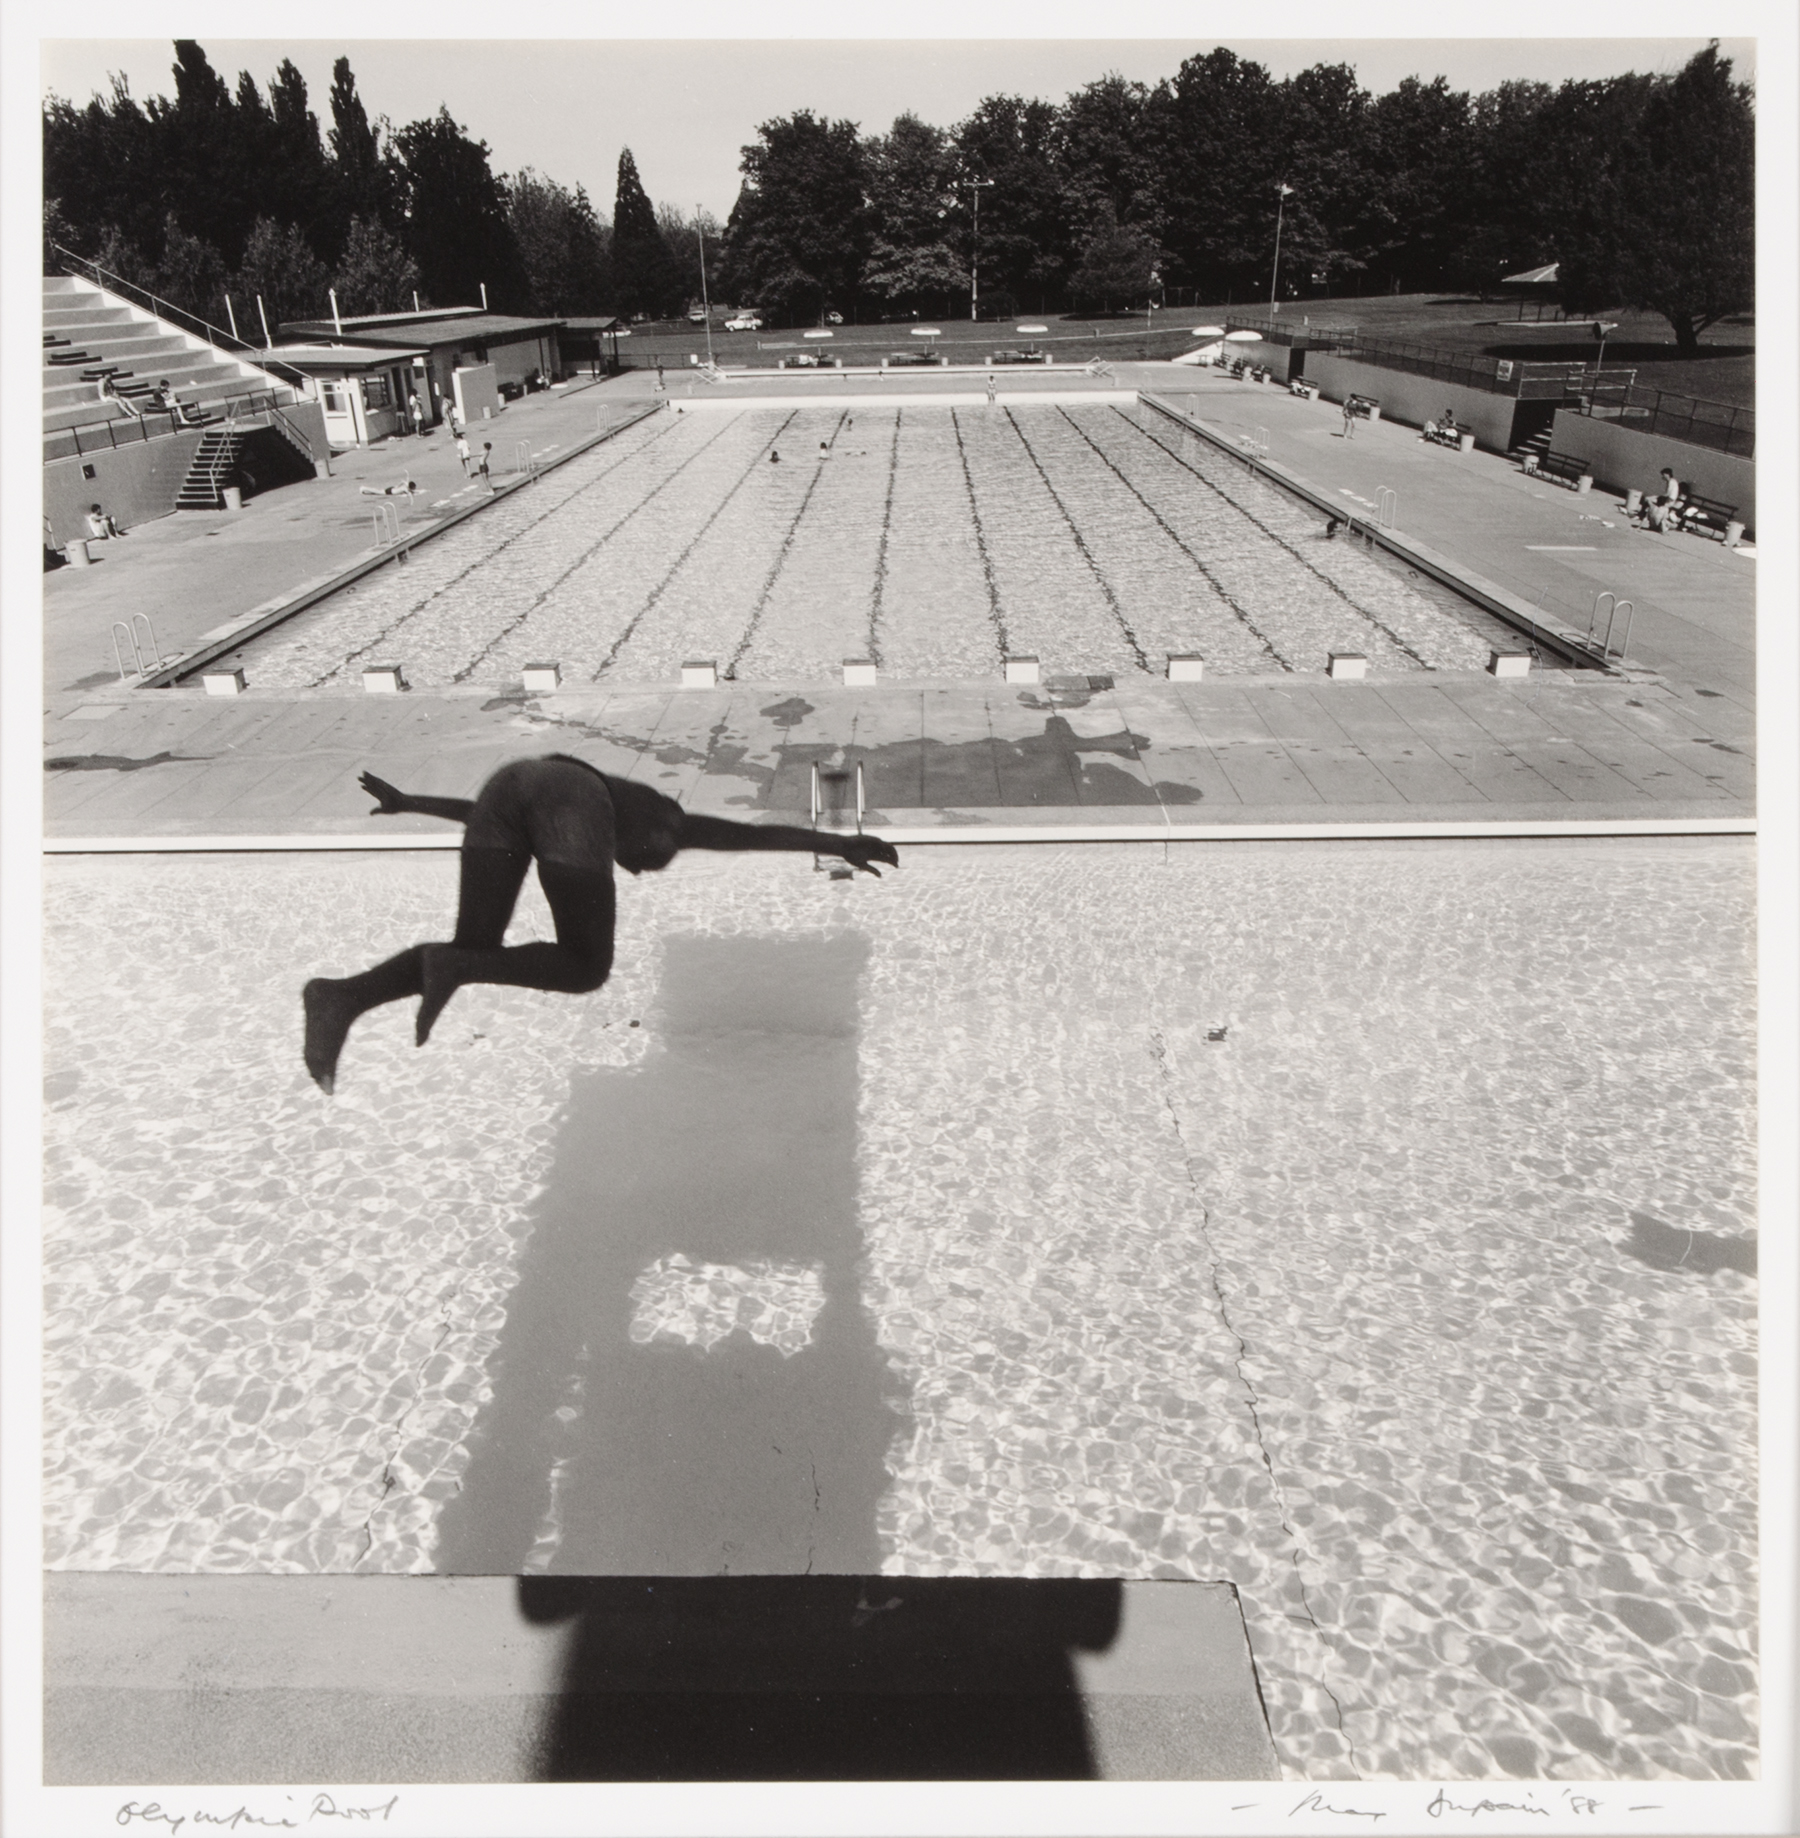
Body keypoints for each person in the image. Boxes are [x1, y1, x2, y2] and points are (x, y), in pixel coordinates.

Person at [301, 758, 900, 1094]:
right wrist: (836, 843)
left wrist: (410, 802)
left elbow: (490, 813)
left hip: (507, 784)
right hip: (568, 800)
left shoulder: (612, 805)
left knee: (474, 947)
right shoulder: (669, 821)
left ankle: (343, 996)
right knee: (586, 964)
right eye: (646, 860)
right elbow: (751, 836)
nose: (638, 870)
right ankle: (452, 968)